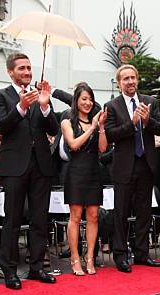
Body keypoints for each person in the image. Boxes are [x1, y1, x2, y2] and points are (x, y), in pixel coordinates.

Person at [0, 53, 59, 289]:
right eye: (22, 68)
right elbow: (2, 126)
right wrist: (21, 106)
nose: (28, 72)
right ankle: (9, 270)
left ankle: (37, 267)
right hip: (14, 166)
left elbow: (53, 127)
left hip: (41, 164)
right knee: (13, 219)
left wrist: (45, 105)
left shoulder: (41, 96)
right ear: (10, 71)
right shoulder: (0, 96)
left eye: (29, 68)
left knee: (40, 219)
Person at [104, 64, 160, 273]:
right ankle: (120, 255)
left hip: (146, 164)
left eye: (133, 78)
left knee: (144, 212)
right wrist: (132, 123)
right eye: (125, 79)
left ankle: (142, 254)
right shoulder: (112, 106)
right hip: (123, 166)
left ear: (137, 79)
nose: (130, 82)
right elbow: (111, 134)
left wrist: (147, 121)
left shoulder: (150, 101)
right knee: (120, 213)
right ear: (119, 82)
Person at [60, 83, 108, 275]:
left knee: (94, 216)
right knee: (76, 216)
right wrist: (92, 127)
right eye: (84, 99)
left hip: (94, 172)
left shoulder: (97, 122)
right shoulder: (67, 121)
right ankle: (74, 258)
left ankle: (90, 257)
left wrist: (101, 127)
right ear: (76, 101)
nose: (88, 103)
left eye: (90, 99)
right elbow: (73, 144)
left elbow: (103, 148)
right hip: (75, 172)